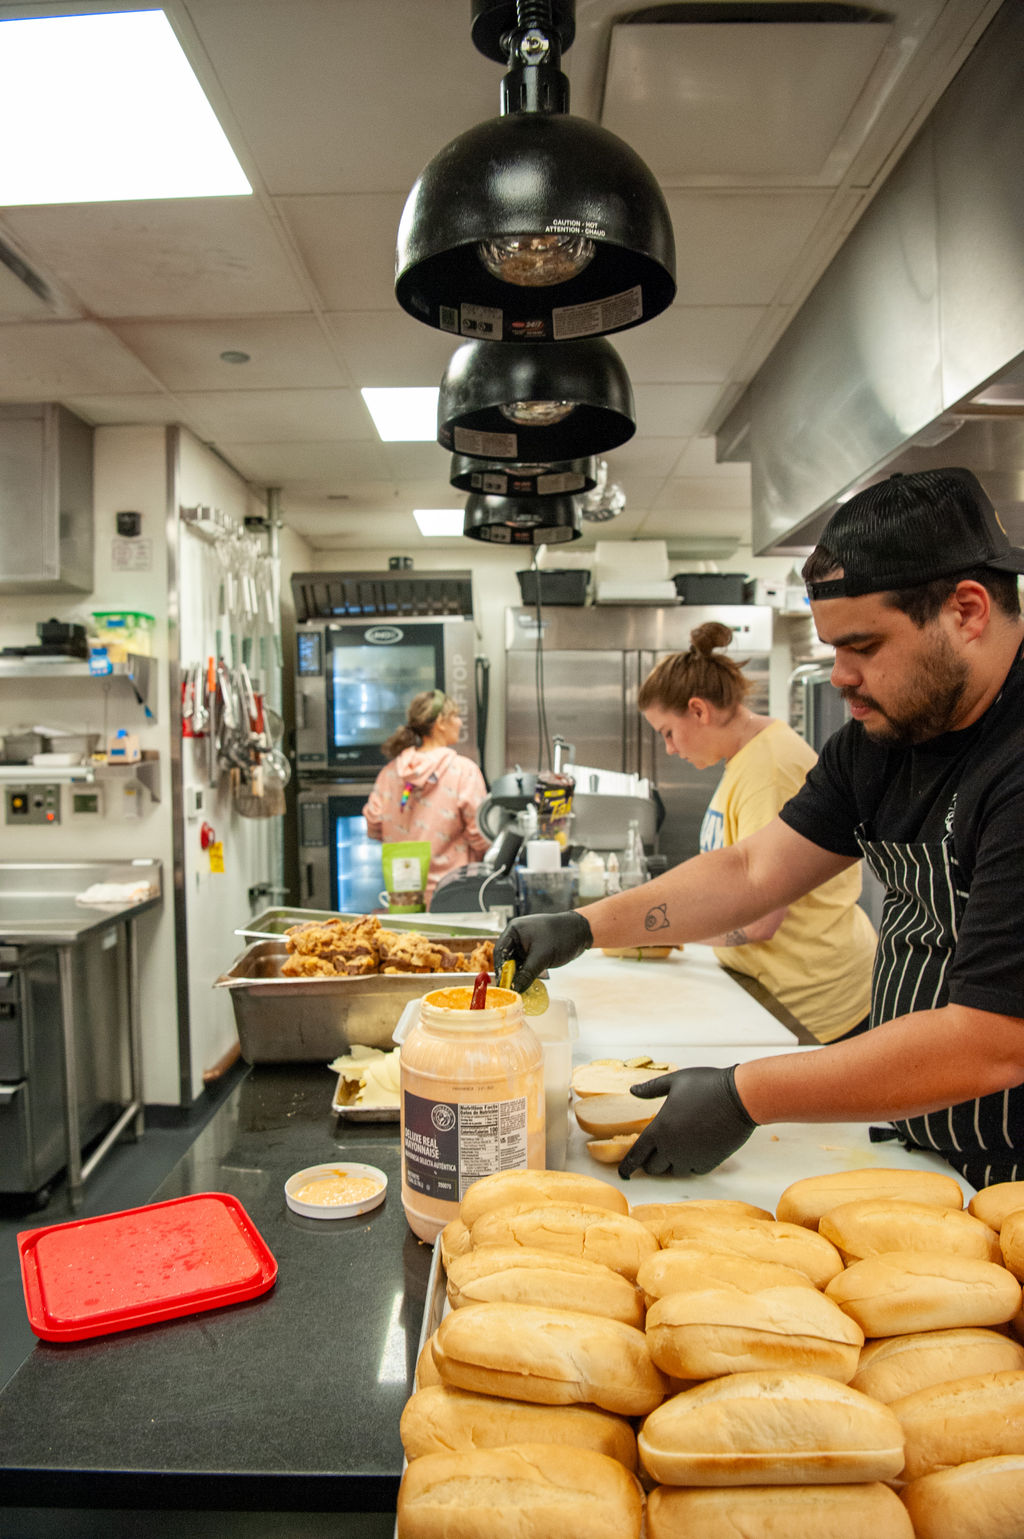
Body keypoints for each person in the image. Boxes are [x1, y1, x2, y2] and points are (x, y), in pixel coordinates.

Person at [494, 467, 1024, 1190]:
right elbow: (752, 872)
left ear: (967, 610)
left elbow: (991, 1040)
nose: (839, 677)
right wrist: (585, 926)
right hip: (924, 1143)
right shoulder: (881, 744)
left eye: (862, 647)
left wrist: (745, 1093)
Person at [638, 621, 877, 1043]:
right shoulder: (747, 760)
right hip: (771, 987)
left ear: (698, 710)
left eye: (668, 733)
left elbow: (761, 920)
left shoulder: (770, 769)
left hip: (814, 1003)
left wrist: (661, 930)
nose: (671, 749)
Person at [362, 689, 490, 904]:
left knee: (409, 939)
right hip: (452, 895)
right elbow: (480, 835)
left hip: (404, 898)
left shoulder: (390, 772)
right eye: (456, 716)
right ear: (440, 722)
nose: (460, 723)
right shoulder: (463, 771)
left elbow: (374, 824)